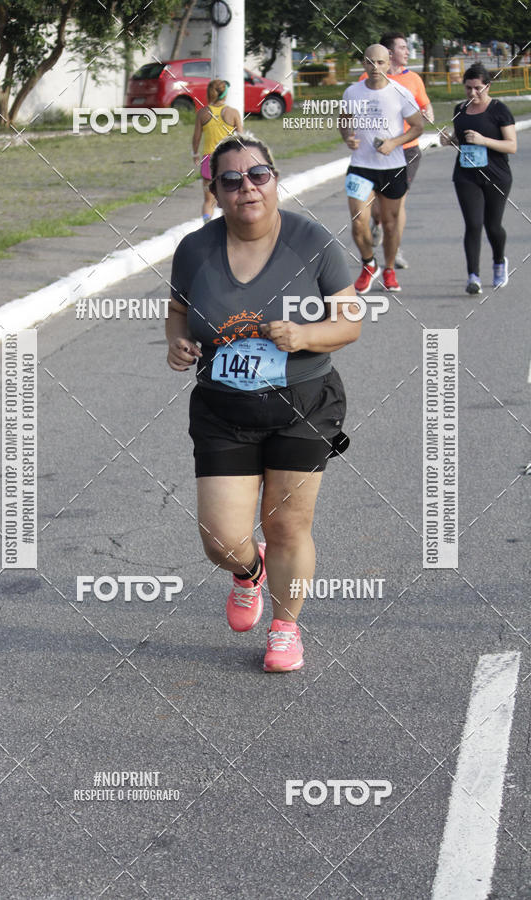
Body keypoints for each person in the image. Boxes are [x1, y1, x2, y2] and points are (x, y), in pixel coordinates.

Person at [166, 133, 361, 673]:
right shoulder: (195, 249)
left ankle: (286, 627)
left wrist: (304, 336)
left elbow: (350, 322)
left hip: (304, 402)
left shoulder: (313, 242)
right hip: (223, 409)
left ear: (275, 179)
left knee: (286, 526)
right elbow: (178, 311)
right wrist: (176, 342)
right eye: (231, 180)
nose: (246, 188)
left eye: (257, 176)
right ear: (216, 190)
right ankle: (247, 573)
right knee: (221, 538)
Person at [340, 44, 423, 293]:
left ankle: (388, 269)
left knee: (389, 224)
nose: (374, 67)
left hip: (393, 167)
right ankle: (368, 264)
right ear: (363, 64)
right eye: (369, 62)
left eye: (380, 62)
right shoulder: (352, 92)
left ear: (388, 64)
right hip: (361, 167)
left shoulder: (400, 92)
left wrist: (394, 143)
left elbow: (418, 127)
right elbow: (344, 121)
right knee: (358, 222)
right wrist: (347, 137)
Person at [360, 32, 435, 268]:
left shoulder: (413, 79)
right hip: (377, 151)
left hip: (407, 151)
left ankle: (395, 252)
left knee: (398, 203)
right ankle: (378, 223)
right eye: (403, 47)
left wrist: (428, 114)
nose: (407, 51)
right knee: (379, 208)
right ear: (390, 53)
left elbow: (425, 104)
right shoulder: (367, 78)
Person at [440, 63, 516, 293]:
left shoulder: (499, 110)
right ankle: (473, 277)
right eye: (468, 88)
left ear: (488, 86)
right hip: (466, 175)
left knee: (493, 226)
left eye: (477, 88)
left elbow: (511, 146)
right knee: (473, 224)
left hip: (496, 175)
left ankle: (499, 262)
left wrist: (484, 140)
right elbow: (459, 140)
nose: (472, 93)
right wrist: (448, 140)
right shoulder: (460, 109)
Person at [192, 79, 242, 223]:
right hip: (228, 160)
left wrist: (195, 154)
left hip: (208, 160)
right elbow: (241, 138)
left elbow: (196, 137)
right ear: (225, 94)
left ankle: (207, 223)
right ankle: (228, 228)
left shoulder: (203, 113)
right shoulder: (233, 113)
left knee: (209, 201)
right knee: (230, 197)